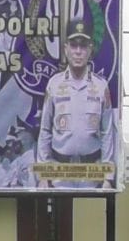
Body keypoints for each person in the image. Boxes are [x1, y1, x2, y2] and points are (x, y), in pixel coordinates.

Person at [36, 17, 117, 189]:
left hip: (92, 174)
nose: (78, 51)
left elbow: (107, 132)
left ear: (90, 49)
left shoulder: (101, 87)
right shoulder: (54, 85)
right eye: (73, 46)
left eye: (83, 46)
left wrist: (108, 178)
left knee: (89, 209)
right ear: (66, 49)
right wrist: (43, 175)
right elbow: (45, 130)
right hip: (59, 173)